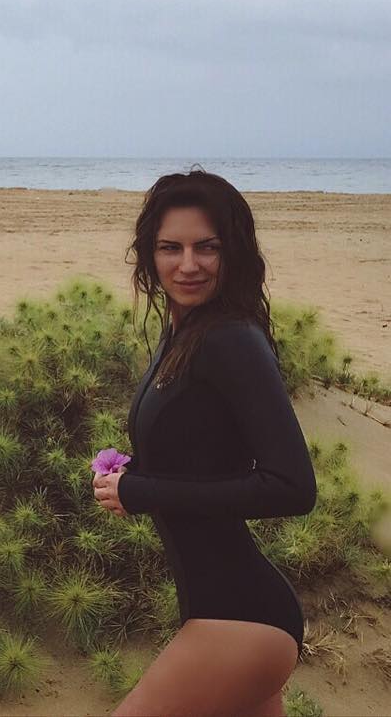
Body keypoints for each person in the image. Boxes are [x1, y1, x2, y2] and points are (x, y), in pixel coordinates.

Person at [92, 168, 317, 717]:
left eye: (206, 247)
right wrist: (131, 479)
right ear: (149, 254)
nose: (187, 265)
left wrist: (143, 491)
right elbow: (201, 458)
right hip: (226, 615)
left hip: (241, 620)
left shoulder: (231, 338)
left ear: (231, 252)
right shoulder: (184, 331)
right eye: (170, 247)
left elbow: (292, 487)